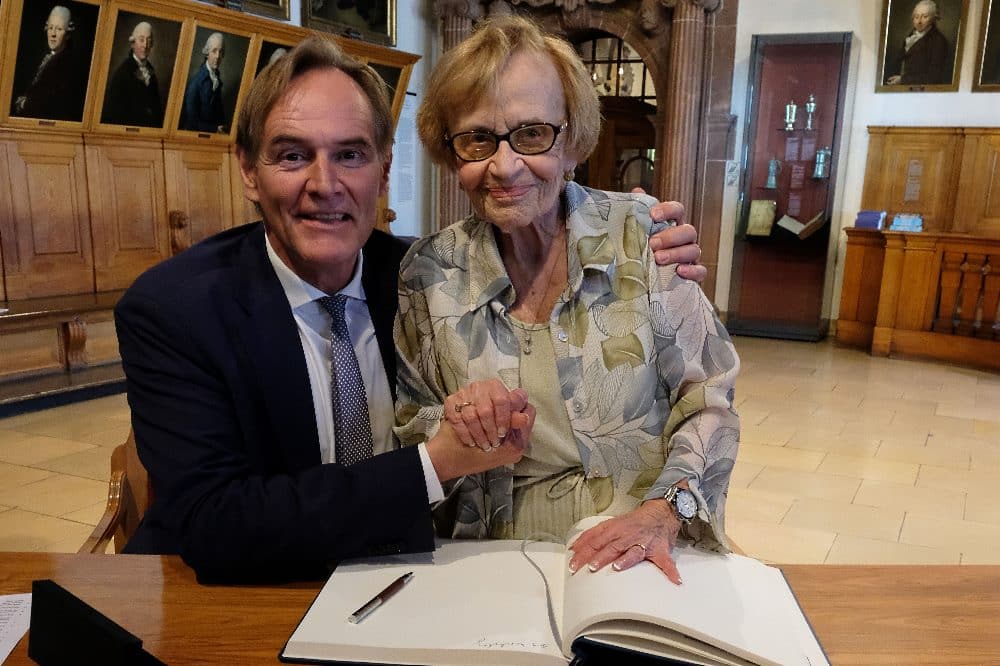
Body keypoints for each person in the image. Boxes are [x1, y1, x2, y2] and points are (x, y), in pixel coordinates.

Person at [117, 35, 703, 584]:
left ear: (383, 164)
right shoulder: (175, 310)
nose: (325, 185)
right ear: (248, 169)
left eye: (350, 154)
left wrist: (640, 233)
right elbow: (216, 524)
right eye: (293, 156)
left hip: (425, 577)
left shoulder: (419, 272)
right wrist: (434, 460)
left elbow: (706, 396)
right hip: (245, 586)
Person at [395, 15, 739, 584]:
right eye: (478, 139)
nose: (504, 167)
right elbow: (412, 425)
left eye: (531, 135)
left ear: (572, 141)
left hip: (635, 549)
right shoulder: (427, 272)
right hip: (484, 560)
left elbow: (710, 401)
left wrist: (666, 512)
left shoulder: (642, 237)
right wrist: (456, 420)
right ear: (451, 155)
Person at [12, 5, 86, 121]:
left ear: (68, 34)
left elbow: (51, 104)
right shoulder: (49, 57)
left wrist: (25, 104)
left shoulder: (67, 64)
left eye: (59, 29)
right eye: (51, 28)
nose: (53, 34)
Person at [102, 21, 163, 128]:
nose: (145, 45)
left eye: (149, 40)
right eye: (141, 40)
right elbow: (114, 114)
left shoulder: (151, 72)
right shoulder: (123, 73)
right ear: (133, 43)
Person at [886, 0, 951, 85]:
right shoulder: (910, 36)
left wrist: (903, 80)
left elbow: (934, 77)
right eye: (916, 17)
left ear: (933, 19)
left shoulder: (939, 41)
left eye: (925, 17)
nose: (919, 22)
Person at [180, 31, 226, 133]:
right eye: (214, 51)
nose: (218, 56)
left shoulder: (216, 79)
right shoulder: (196, 82)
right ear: (207, 53)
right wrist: (214, 129)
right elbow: (191, 121)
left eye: (221, 51)